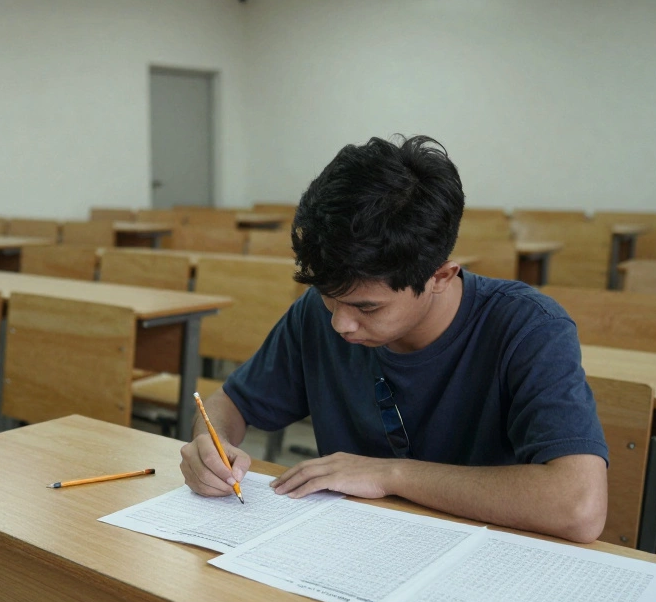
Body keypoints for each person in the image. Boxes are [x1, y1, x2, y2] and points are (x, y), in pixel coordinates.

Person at [179, 135, 608, 543]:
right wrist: (210, 447)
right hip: (354, 547)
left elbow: (579, 506)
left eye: (367, 308)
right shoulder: (317, 314)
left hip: (485, 558)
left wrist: (391, 475)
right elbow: (229, 403)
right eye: (330, 297)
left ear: (440, 277)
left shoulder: (528, 328)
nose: (341, 325)